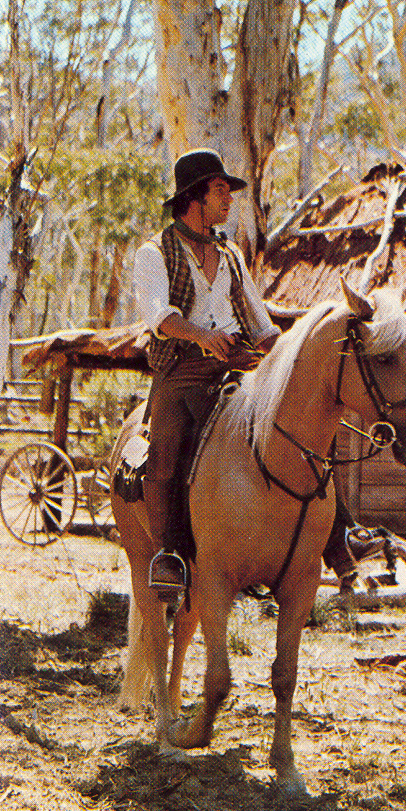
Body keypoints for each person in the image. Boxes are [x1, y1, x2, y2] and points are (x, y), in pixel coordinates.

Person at [134, 148, 279, 596]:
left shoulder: (230, 253)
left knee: (297, 415)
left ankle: (340, 535)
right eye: (220, 190)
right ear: (194, 197)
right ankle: (168, 554)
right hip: (183, 368)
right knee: (165, 452)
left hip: (239, 358)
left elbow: (259, 321)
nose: (229, 199)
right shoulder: (154, 252)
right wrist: (201, 336)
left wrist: (284, 356)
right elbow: (159, 316)